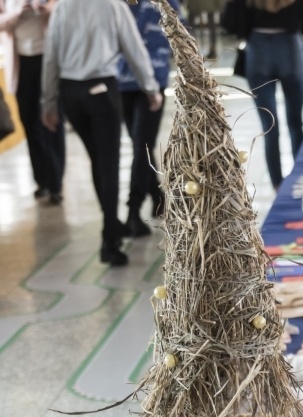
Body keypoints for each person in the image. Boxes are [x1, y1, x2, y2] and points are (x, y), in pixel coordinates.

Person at [41, 0, 162, 267]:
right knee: (109, 164)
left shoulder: (62, 7)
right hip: (102, 92)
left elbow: (51, 55)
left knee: (98, 159)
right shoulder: (112, 5)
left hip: (70, 93)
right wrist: (151, 87)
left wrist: (49, 102)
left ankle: (113, 224)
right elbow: (134, 49)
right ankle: (110, 241)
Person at [222, 0, 303, 190]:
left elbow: (228, 21)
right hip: (290, 50)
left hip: (258, 52)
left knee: (269, 126)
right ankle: (300, 178)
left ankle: (277, 184)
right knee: (295, 123)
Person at [118, 0, 180, 236]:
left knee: (141, 144)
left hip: (152, 81)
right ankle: (158, 198)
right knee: (140, 144)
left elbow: (178, 32)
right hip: (122, 81)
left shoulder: (161, 2)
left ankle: (133, 211)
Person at [0, 0, 65, 204]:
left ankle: (56, 184)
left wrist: (44, 9)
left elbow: (63, 10)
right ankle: (42, 181)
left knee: (53, 121)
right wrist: (17, 14)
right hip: (21, 64)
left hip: (49, 60)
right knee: (30, 124)